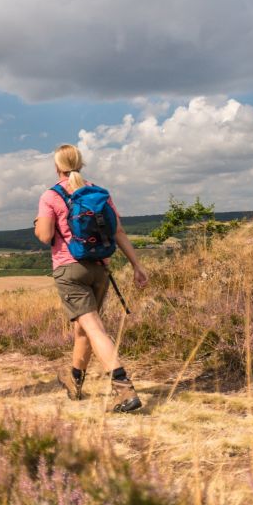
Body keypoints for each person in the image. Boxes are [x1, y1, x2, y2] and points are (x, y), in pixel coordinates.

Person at [34, 144, 149, 412]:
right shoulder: (98, 192)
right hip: (100, 268)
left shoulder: (50, 196)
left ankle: (124, 391)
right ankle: (75, 383)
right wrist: (136, 265)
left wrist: (38, 224)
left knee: (94, 328)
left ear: (56, 167)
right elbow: (118, 231)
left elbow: (44, 236)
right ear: (81, 163)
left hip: (69, 269)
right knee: (83, 328)